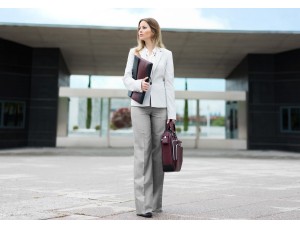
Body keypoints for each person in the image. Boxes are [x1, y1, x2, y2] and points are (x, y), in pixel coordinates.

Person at [123, 18, 176, 218]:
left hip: (161, 108)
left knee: (157, 156)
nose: (140, 31)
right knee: (142, 154)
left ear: (153, 31)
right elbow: (126, 78)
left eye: (144, 27)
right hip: (139, 106)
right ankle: (143, 206)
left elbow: (169, 84)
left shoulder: (167, 55)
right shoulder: (134, 52)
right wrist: (138, 85)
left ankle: (155, 203)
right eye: (138, 28)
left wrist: (172, 115)